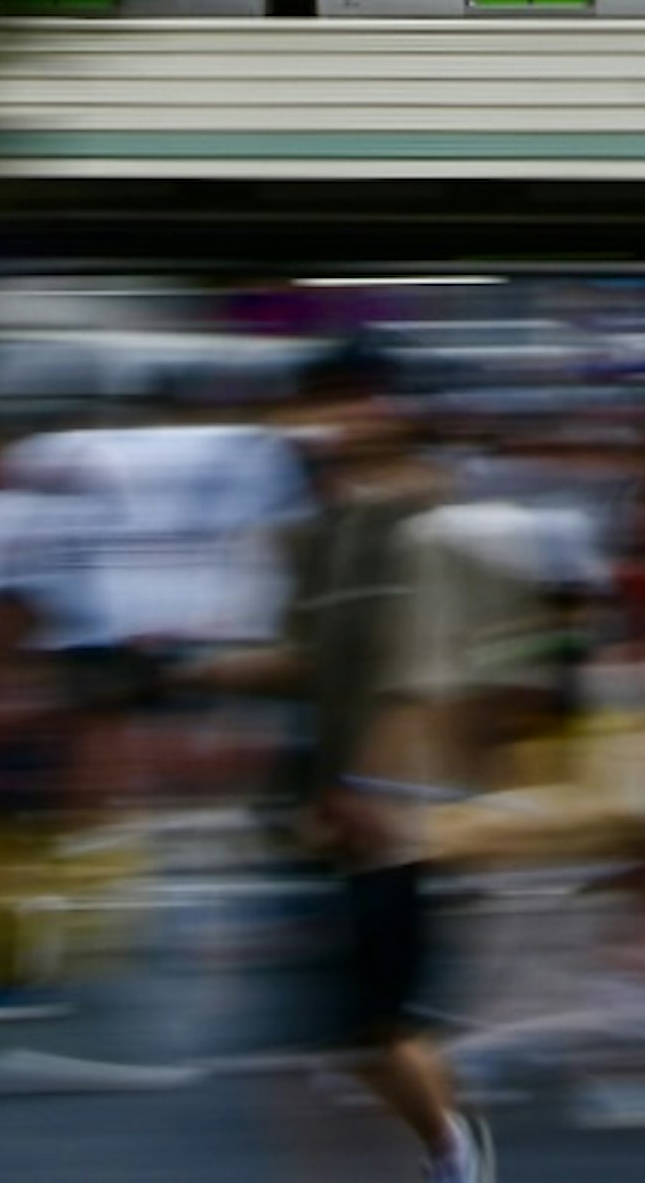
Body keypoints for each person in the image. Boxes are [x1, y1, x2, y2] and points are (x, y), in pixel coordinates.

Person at [195, 352, 500, 1183]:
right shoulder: (324, 531)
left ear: (378, 408)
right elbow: (305, 658)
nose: (307, 430)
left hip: (400, 808)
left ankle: (452, 1153)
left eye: (326, 409)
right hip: (338, 806)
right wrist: (188, 672)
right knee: (347, 1026)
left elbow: (424, 676)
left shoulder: (430, 524)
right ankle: (444, 1142)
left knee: (373, 1018)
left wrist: (369, 781)